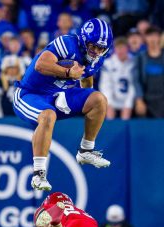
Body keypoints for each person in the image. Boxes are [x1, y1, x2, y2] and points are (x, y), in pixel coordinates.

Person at [13, 18, 113, 191]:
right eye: (94, 46)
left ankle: (86, 151)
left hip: (58, 95)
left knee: (99, 99)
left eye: (101, 48)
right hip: (30, 94)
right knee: (47, 115)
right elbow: (40, 64)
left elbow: (86, 73)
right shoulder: (67, 43)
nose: (97, 52)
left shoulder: (97, 59)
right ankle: (38, 173)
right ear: (83, 40)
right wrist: (67, 72)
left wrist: (87, 97)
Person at [99, 37, 135, 119]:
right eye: (118, 48)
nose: (120, 51)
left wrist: (128, 105)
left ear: (128, 48)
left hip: (129, 101)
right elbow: (105, 85)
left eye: (122, 48)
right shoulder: (108, 64)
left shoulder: (134, 62)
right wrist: (109, 104)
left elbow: (133, 85)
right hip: (112, 101)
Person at [134, 26, 164, 118]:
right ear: (145, 38)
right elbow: (136, 80)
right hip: (146, 101)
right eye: (150, 36)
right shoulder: (140, 58)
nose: (153, 39)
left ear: (159, 37)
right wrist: (139, 100)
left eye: (155, 36)